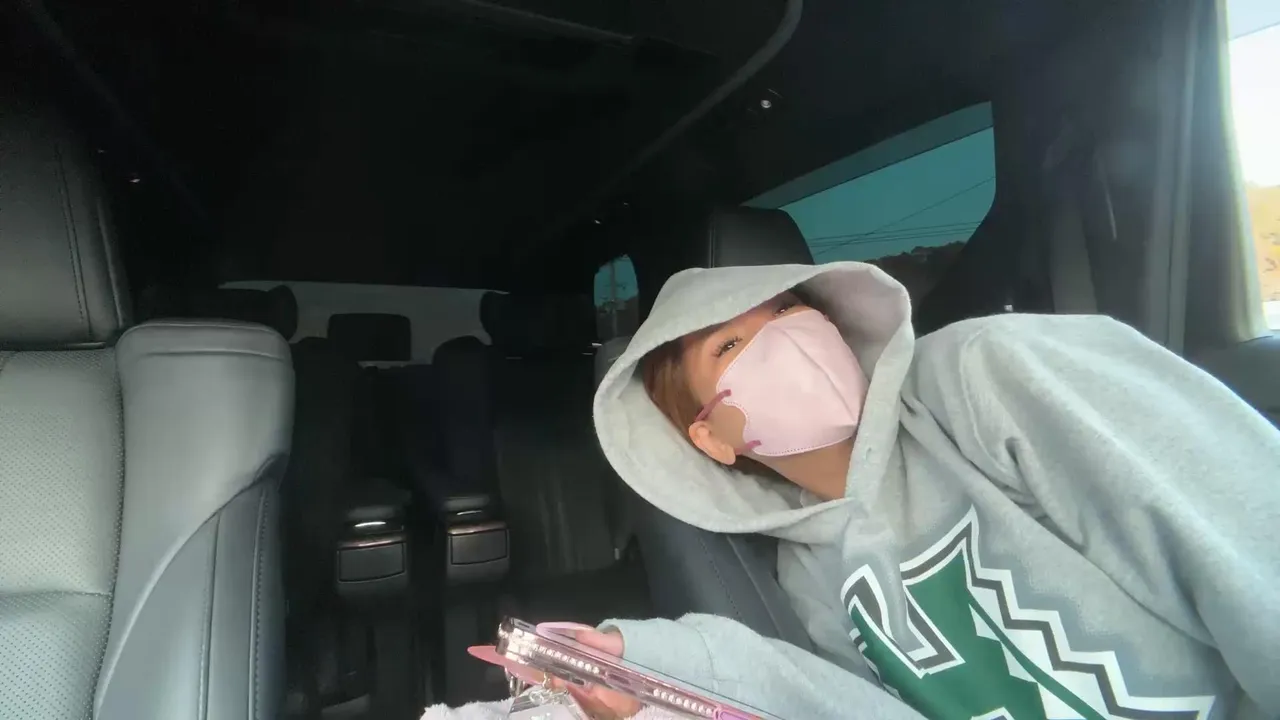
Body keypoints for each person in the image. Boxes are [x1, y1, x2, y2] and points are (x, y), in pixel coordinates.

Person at [582, 261, 1280, 720]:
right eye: (729, 348)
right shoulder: (806, 575)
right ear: (713, 437)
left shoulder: (986, 371)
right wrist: (661, 675)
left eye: (788, 309)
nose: (783, 339)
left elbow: (1242, 546)